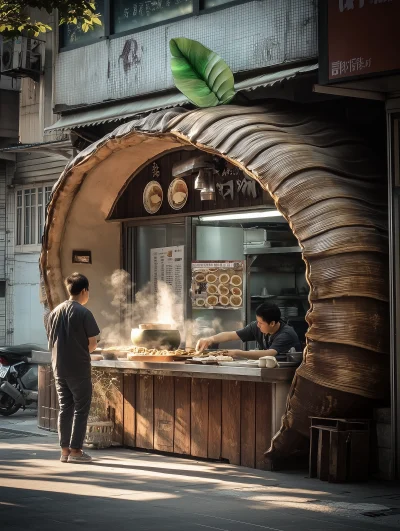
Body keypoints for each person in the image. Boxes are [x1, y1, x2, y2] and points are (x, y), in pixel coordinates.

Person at [46, 273, 100, 463]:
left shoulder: (54, 312)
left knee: (65, 408)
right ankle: (76, 451)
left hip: (59, 367)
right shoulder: (84, 312)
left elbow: (51, 341)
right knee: (81, 409)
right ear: (84, 290)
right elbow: (92, 344)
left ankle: (64, 451)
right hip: (78, 368)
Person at [196, 303, 301, 359]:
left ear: (272, 323)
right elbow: (231, 335)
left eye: (261, 322)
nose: (257, 325)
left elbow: (269, 353)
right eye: (257, 321)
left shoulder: (286, 334)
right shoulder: (257, 326)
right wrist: (210, 339)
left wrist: (239, 353)